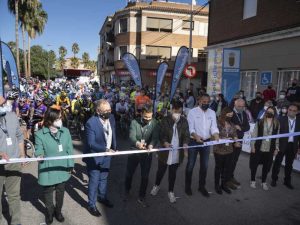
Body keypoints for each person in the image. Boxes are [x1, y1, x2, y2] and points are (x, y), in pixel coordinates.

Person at [34, 106, 74, 224]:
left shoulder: (65, 131)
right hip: (48, 168)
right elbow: (38, 148)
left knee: (60, 192)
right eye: (58, 118)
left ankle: (58, 211)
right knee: (48, 193)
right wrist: (39, 154)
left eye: (60, 118)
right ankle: (50, 212)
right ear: (50, 120)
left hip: (62, 168)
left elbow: (69, 150)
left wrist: (70, 165)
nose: (60, 120)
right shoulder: (40, 134)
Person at [150, 100, 190, 203]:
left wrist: (185, 143)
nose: (178, 114)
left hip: (177, 152)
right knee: (161, 171)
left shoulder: (184, 121)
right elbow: (161, 134)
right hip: (165, 151)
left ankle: (170, 191)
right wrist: (165, 143)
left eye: (180, 112)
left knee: (173, 173)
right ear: (172, 110)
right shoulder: (165, 120)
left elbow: (186, 134)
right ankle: (156, 185)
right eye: (176, 111)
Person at [84, 100, 117, 216]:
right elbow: (91, 144)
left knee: (103, 179)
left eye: (110, 110)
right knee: (94, 181)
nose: (109, 112)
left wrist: (114, 147)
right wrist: (106, 149)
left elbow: (113, 133)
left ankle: (102, 197)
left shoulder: (111, 118)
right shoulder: (91, 123)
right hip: (95, 157)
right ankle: (91, 205)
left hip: (107, 156)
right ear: (98, 111)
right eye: (106, 111)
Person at [124, 104, 159, 207]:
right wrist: (137, 143)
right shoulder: (134, 122)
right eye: (145, 117)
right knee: (129, 173)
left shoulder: (155, 123)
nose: (148, 119)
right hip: (134, 151)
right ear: (141, 114)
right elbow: (131, 136)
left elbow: (155, 137)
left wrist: (152, 144)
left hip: (146, 153)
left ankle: (141, 196)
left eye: (150, 117)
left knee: (145, 176)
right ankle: (127, 190)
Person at [186, 94, 219, 197]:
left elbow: (214, 127)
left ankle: (202, 186)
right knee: (190, 165)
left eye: (207, 102)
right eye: (203, 102)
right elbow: (190, 128)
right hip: (194, 142)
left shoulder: (212, 112)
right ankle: (188, 187)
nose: (205, 104)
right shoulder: (192, 112)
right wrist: (195, 136)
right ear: (199, 101)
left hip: (206, 142)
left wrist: (216, 135)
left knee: (204, 166)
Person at [0, 95, 25, 225]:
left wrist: (22, 155)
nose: (4, 106)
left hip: (13, 162)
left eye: (4, 103)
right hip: (0, 164)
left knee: (14, 195)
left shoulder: (12, 117)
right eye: (1, 104)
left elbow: (19, 137)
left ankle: (16, 222)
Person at [250, 106, 279, 191]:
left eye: (271, 112)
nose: (269, 113)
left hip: (270, 148)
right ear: (266, 112)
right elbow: (254, 135)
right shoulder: (259, 122)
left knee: (267, 166)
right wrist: (253, 146)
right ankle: (252, 180)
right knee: (254, 165)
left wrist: (276, 148)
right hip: (259, 147)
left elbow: (277, 137)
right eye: (268, 111)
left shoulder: (277, 123)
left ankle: (263, 181)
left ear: (274, 113)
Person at [271, 104, 300, 189]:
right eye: (290, 109)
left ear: (298, 112)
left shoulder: (299, 121)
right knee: (277, 163)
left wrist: (299, 148)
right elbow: (275, 133)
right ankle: (274, 179)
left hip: (292, 146)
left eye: (294, 111)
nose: (291, 112)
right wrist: (275, 146)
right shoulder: (280, 119)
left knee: (289, 165)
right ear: (287, 110)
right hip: (281, 145)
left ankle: (287, 181)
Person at [213, 107, 239, 195]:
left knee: (226, 169)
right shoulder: (217, 123)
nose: (230, 117)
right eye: (229, 115)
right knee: (218, 169)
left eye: (231, 115)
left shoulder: (231, 124)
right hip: (219, 150)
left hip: (229, 150)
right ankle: (217, 186)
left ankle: (223, 185)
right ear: (224, 114)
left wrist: (236, 141)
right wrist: (223, 138)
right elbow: (213, 135)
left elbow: (234, 134)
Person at [228, 98, 250, 189]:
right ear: (234, 105)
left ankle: (231, 176)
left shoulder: (244, 113)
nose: (241, 108)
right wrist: (235, 127)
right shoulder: (230, 114)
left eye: (242, 106)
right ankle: (226, 179)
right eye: (239, 106)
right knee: (229, 160)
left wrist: (240, 128)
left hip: (240, 140)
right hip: (230, 141)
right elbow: (227, 126)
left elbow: (247, 126)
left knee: (235, 160)